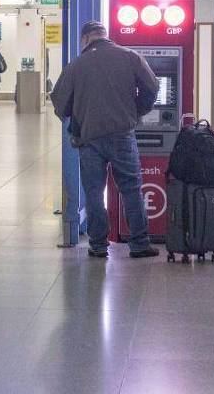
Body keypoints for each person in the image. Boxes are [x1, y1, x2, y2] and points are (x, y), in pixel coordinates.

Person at [51, 20, 160, 259]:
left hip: (89, 138)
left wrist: (76, 119)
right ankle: (139, 244)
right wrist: (136, 111)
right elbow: (152, 86)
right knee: (131, 189)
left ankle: (98, 245)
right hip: (122, 134)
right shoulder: (130, 56)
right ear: (104, 35)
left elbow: (59, 102)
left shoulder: (76, 65)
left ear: (85, 39)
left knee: (93, 191)